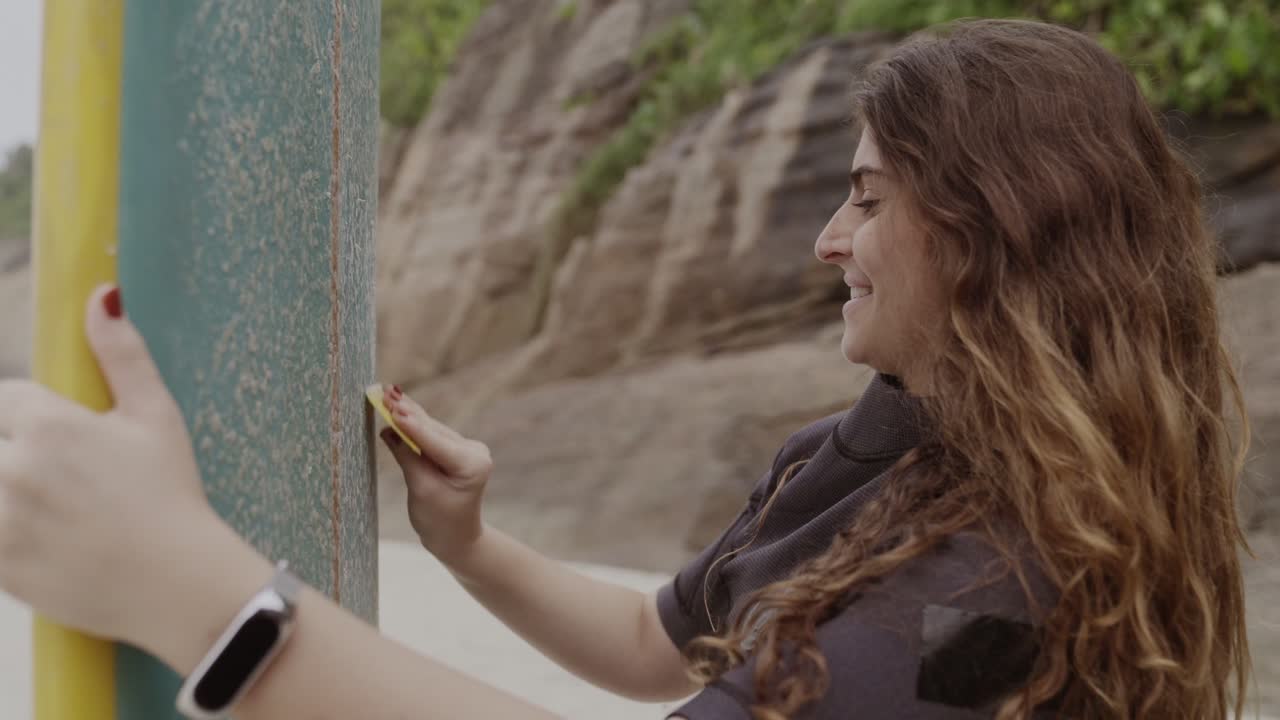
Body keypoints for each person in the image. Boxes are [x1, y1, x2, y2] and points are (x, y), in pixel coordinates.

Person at [0, 17, 1253, 720]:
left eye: (866, 199)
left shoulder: (990, 589)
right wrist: (468, 541)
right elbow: (663, 649)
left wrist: (195, 595)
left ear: (995, 232)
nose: (828, 241)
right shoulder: (883, 452)